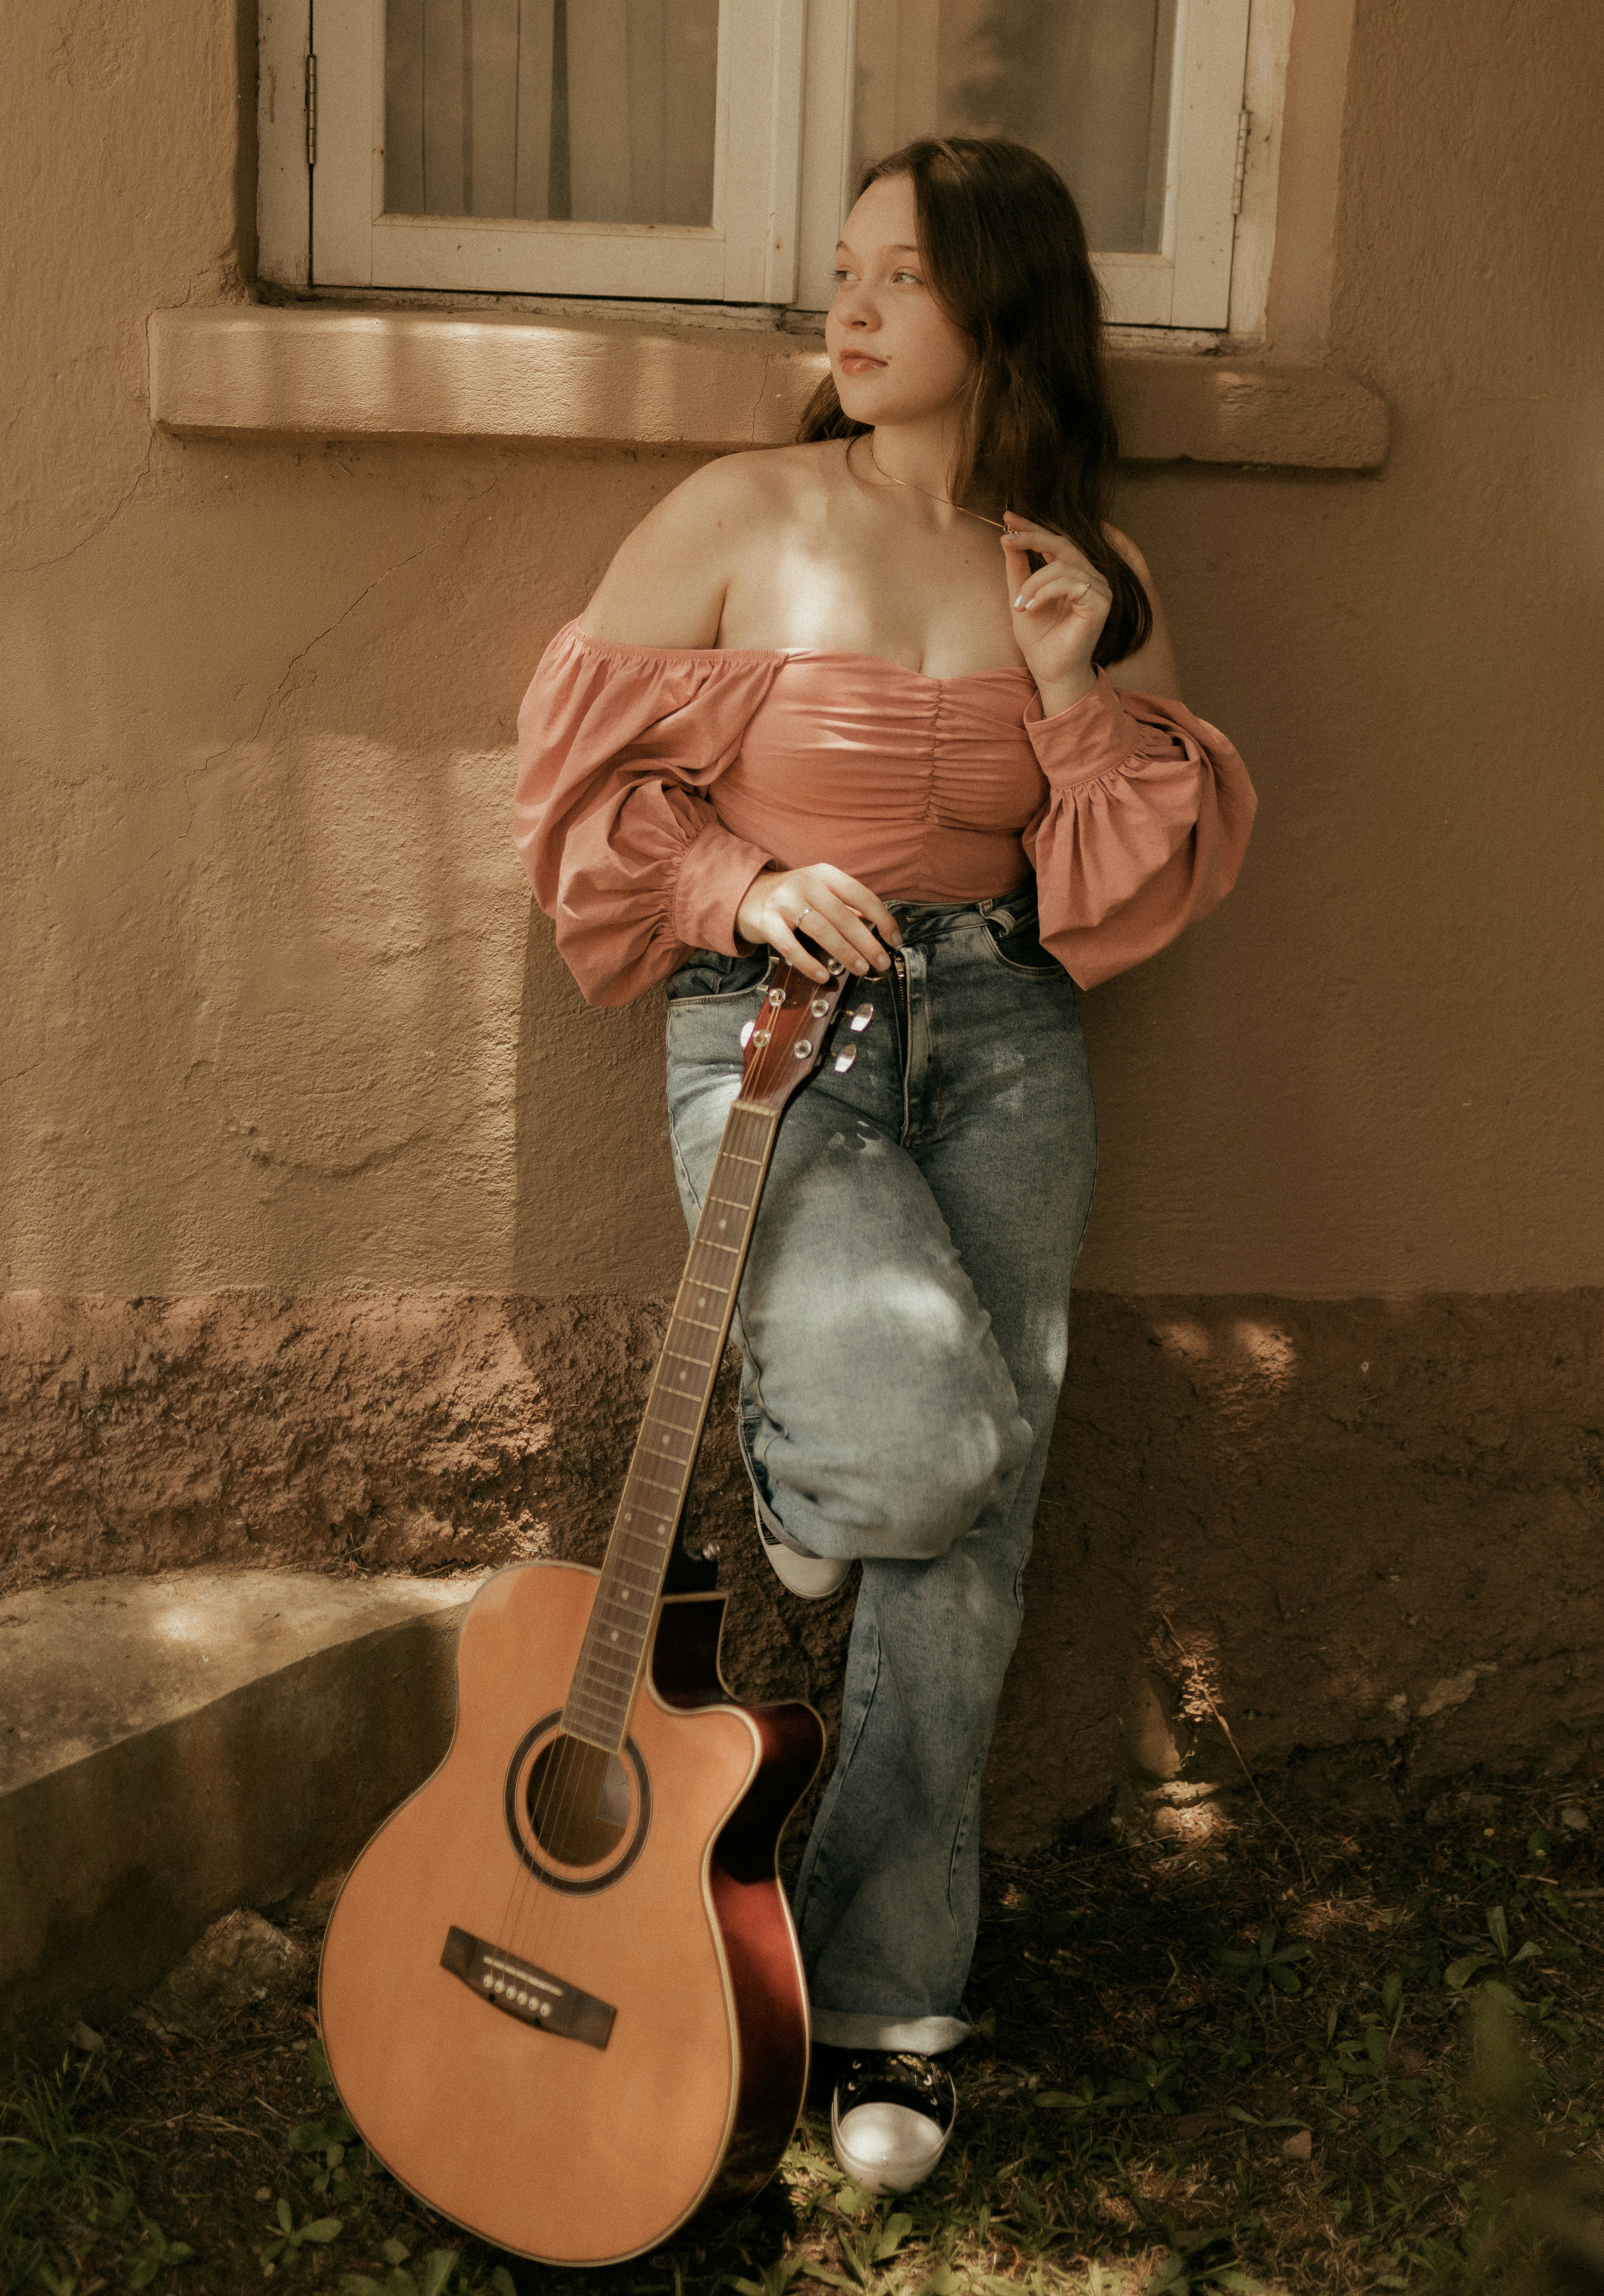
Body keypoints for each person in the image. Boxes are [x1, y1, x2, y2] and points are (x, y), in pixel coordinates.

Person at [514, 134, 1256, 2187]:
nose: (843, 311)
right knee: (921, 1452)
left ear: (996, 313)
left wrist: (1071, 678)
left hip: (1009, 1034)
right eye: (837, 273)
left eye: (896, 279)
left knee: (971, 1527)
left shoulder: (1077, 562)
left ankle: (884, 1999)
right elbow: (578, 792)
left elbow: (1130, 876)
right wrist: (743, 876)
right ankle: (802, 1442)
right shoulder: (740, 516)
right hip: (779, 1035)